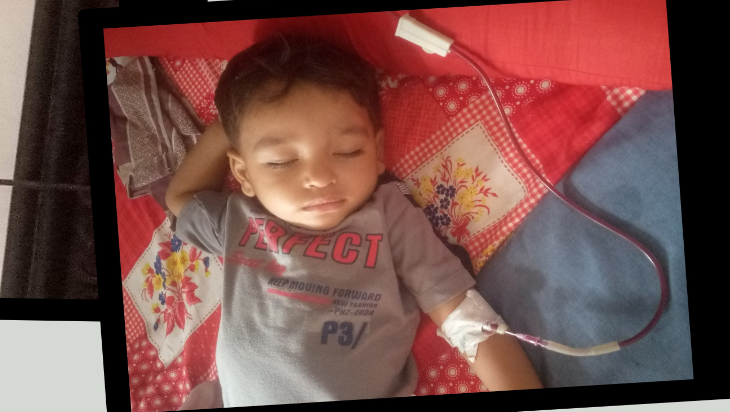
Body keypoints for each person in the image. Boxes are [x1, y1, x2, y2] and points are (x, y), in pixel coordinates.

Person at [166, 34, 542, 408]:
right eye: (282, 161)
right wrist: (228, 126)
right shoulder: (239, 220)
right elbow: (180, 197)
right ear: (243, 173)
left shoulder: (388, 218)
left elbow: (465, 318)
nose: (319, 177)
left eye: (348, 151)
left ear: (377, 151)